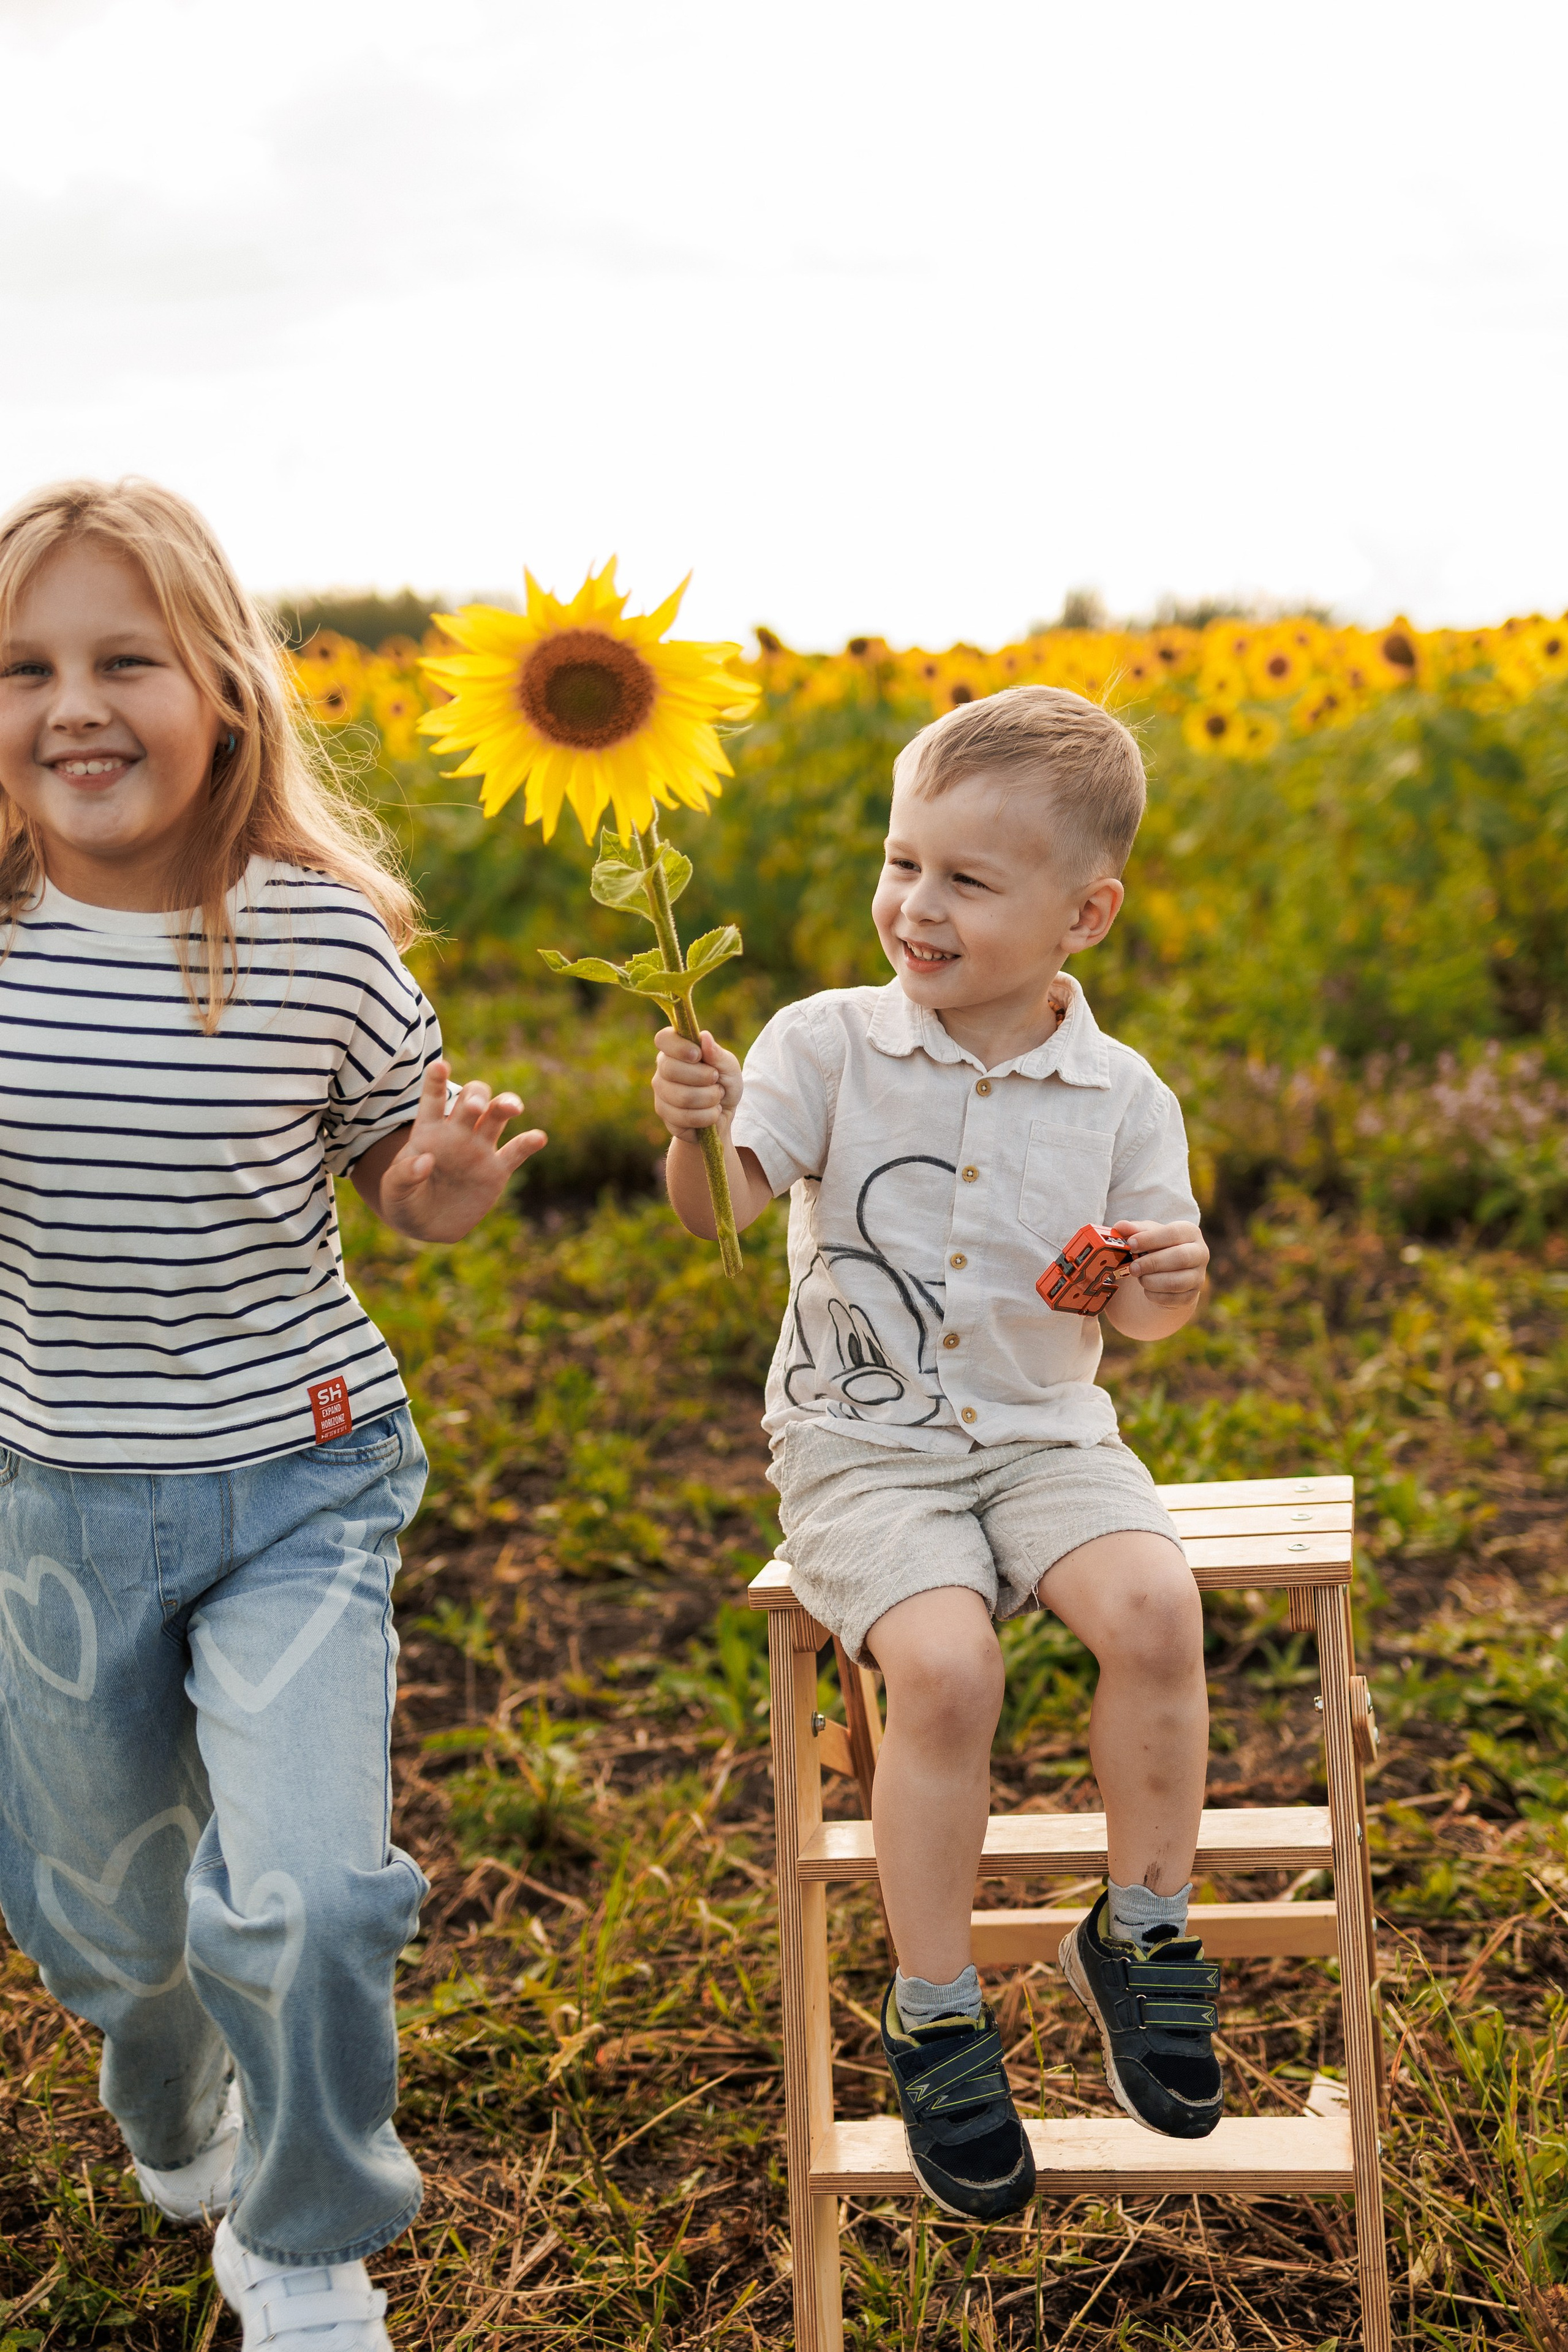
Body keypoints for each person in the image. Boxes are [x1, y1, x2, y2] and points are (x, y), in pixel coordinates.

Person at [0, 480, 546, 2349]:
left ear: (223, 690)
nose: (74, 703)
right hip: (49, 1492)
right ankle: (170, 2098)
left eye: (123, 659)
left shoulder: (316, 944)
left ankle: (304, 2243)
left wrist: (450, 1181)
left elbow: (407, 1176)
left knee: (311, 1891)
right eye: (26, 667)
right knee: (106, 1929)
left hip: (299, 1482)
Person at [650, 684, 1219, 2223]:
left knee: (1159, 1614)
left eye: (967, 881)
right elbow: (719, 1211)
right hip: (864, 1451)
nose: (915, 904)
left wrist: (1166, 1285)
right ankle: (936, 2006)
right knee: (949, 1671)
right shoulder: (822, 1042)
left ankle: (1145, 1927)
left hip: (1046, 1437)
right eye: (903, 862)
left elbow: (1156, 1300)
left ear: (1082, 915)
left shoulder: (1122, 1092)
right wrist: (694, 1129)